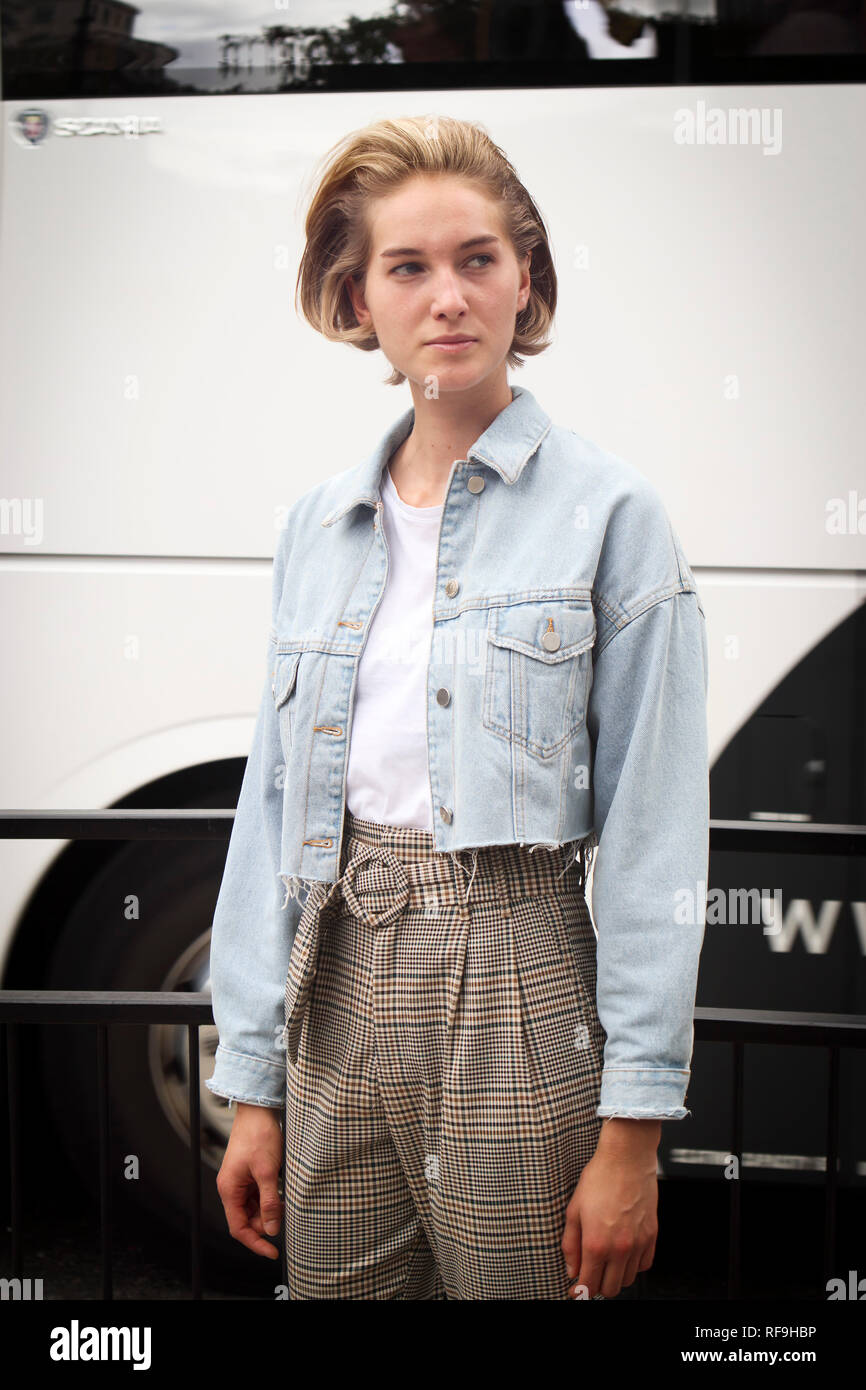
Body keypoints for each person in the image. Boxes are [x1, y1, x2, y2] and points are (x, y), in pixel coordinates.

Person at [207, 113, 710, 1300]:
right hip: (336, 977)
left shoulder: (613, 515)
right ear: (358, 299)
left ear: (523, 279)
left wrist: (631, 1131)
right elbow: (267, 817)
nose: (448, 297)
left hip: (518, 974)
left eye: (478, 259)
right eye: (408, 267)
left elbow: (652, 837)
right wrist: (250, 1087)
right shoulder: (315, 525)